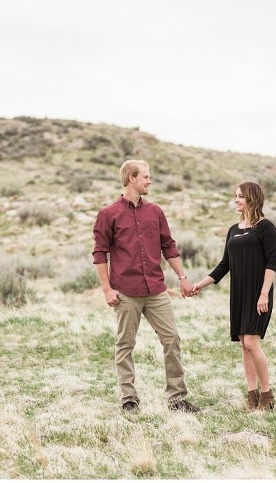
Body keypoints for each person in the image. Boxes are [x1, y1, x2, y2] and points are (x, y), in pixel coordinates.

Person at [92, 159, 200, 414]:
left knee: (171, 339)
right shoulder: (108, 214)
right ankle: (128, 398)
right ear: (132, 178)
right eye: (146, 177)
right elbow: (100, 254)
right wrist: (107, 289)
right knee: (125, 344)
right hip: (126, 292)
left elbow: (169, 247)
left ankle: (177, 399)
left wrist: (182, 278)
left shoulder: (156, 212)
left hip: (156, 290)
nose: (150, 181)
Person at [189, 182, 276, 411]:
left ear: (252, 198)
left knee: (251, 342)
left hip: (258, 292)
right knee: (243, 344)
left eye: (240, 196)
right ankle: (252, 395)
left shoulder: (266, 227)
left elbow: (271, 263)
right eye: (235, 196)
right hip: (238, 292)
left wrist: (264, 294)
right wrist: (201, 284)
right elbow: (224, 264)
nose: (236, 200)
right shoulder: (234, 229)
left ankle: (267, 395)